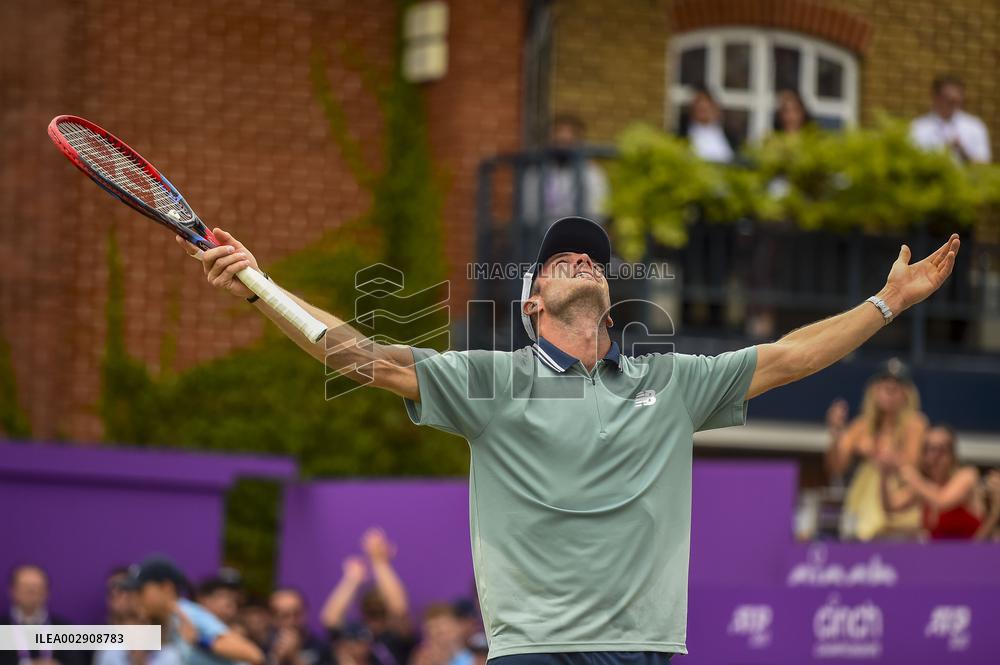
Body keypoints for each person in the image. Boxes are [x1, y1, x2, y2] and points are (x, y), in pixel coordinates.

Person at [183, 215, 960, 663]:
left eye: (589, 256)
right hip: (536, 651)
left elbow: (792, 356)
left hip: (650, 649)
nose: (581, 258)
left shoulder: (675, 382)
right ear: (531, 305)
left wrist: (886, 302)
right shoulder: (490, 378)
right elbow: (358, 355)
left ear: (611, 296)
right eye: (560, 259)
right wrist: (258, 281)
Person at [824, 359, 928, 540]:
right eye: (884, 383)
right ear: (873, 390)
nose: (890, 389)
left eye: (897, 384)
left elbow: (910, 465)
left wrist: (872, 451)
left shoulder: (915, 423)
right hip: (863, 504)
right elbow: (836, 467)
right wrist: (835, 434)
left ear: (907, 393)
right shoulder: (861, 425)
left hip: (897, 501)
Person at [128, 555, 264, 665]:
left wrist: (199, 640)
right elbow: (111, 640)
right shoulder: (164, 621)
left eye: (141, 591)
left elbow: (254, 655)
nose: (136, 598)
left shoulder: (189, 614)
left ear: (166, 588)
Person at [320, 529, 414, 665]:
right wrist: (352, 580)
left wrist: (380, 562)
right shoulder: (358, 632)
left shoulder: (395, 639)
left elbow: (399, 608)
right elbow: (330, 619)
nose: (375, 619)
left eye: (381, 612)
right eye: (371, 612)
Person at [880, 425, 987, 539]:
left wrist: (906, 470)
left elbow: (942, 501)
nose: (933, 456)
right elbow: (891, 507)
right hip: (939, 554)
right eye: (928, 449)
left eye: (940, 449)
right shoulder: (925, 485)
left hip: (972, 554)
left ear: (952, 454)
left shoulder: (967, 475)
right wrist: (884, 476)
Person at [520, 114, 609, 225]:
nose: (562, 145)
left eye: (568, 142)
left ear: (580, 142)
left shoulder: (592, 174)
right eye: (558, 141)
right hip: (543, 237)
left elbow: (597, 213)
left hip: (580, 236)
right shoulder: (535, 173)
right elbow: (529, 214)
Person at [0, 564, 85, 665]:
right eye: (25, 586)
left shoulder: (64, 628)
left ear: (46, 592)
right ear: (12, 591)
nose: (31, 591)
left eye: (37, 587)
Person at [910, 75, 991, 164]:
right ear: (935, 97)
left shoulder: (974, 126)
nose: (952, 104)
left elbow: (984, 164)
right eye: (947, 99)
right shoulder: (918, 127)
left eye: (956, 100)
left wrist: (963, 153)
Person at [268, 588, 330, 665]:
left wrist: (294, 658)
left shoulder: (321, 647)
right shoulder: (264, 646)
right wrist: (276, 659)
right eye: (285, 616)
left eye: (297, 614)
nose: (291, 621)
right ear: (273, 619)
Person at [679, 87, 737, 163]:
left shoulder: (729, 134)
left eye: (706, 109)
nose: (704, 112)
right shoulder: (682, 134)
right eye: (700, 109)